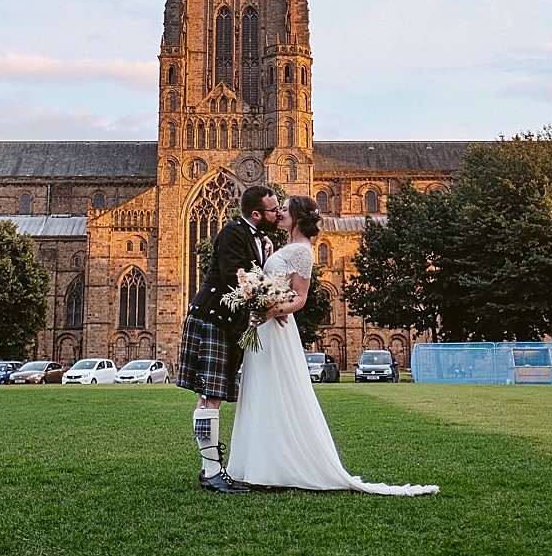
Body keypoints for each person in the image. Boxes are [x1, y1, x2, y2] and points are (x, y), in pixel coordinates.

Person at [226, 195, 438, 496]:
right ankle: (261, 466)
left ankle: (280, 466)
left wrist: (269, 310)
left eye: (285, 210)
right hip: (265, 329)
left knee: (277, 390)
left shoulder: (302, 252)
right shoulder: (285, 247)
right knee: (261, 389)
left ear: (298, 217)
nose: (280, 213)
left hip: (274, 327)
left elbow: (300, 298)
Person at [176, 184, 280, 493]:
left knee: (212, 395)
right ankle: (211, 472)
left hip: (227, 324)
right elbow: (240, 277)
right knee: (211, 395)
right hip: (213, 319)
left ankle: (211, 469)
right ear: (257, 214)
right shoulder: (234, 234)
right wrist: (277, 300)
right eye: (274, 210)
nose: (277, 214)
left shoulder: (258, 238)